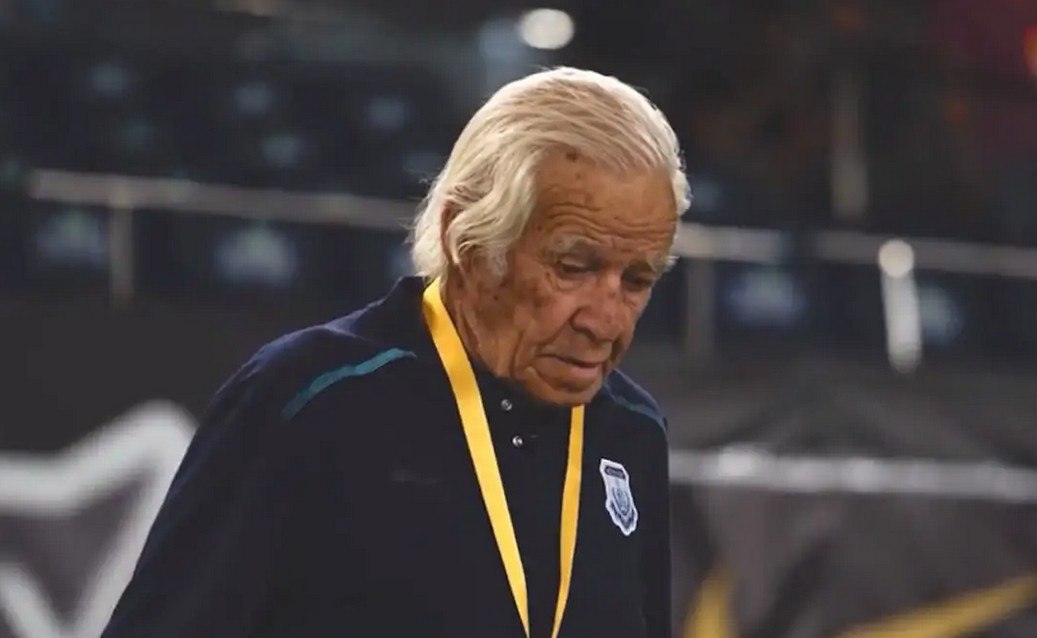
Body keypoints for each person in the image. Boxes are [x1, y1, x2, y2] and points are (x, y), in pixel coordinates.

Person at [100, 66, 691, 638]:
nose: (607, 321)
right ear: (467, 240)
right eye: (572, 267)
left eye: (636, 281)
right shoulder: (309, 400)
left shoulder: (633, 431)